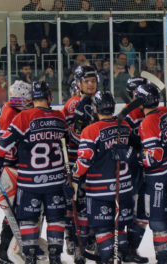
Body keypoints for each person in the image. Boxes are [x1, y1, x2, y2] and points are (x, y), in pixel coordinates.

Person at [0, 81, 67, 264]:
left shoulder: (23, 117)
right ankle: (55, 257)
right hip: (56, 181)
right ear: (50, 97)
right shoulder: (59, 117)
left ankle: (30, 257)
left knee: (28, 220)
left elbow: (0, 149)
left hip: (30, 182)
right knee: (56, 219)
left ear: (32, 99)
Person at [72, 90, 137, 264]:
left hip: (100, 191)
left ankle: (108, 259)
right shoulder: (125, 127)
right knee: (120, 227)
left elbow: (84, 162)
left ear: (95, 108)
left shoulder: (90, 130)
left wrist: (73, 175)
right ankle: (119, 257)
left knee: (103, 229)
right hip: (124, 188)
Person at [136, 82, 167, 263]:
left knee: (158, 221)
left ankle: (165, 258)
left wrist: (133, 156)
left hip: (159, 178)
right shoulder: (166, 112)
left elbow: (154, 156)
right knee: (164, 214)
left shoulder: (147, 122)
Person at [0, 80, 32, 264]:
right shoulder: (11, 115)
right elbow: (3, 147)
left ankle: (9, 251)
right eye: (28, 101)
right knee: (12, 214)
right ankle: (4, 254)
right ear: (19, 101)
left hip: (7, 167)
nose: (30, 104)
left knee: (15, 213)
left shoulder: (8, 108)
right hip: (8, 169)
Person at [61, 65, 99, 262]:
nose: (91, 84)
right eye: (87, 81)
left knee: (89, 202)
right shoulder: (72, 104)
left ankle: (89, 237)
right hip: (76, 162)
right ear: (78, 83)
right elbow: (73, 136)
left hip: (94, 162)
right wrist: (80, 122)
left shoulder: (97, 102)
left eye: (93, 81)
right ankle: (73, 240)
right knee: (75, 202)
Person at [123, 77, 150, 263]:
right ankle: (123, 248)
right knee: (128, 210)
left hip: (150, 168)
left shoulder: (149, 112)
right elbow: (123, 146)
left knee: (143, 211)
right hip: (132, 171)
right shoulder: (128, 116)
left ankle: (132, 248)